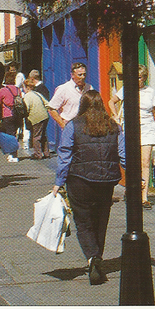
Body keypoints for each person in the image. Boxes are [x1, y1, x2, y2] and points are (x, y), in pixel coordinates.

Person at [52, 90, 124, 285]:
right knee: (101, 220)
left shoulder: (73, 126)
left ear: (82, 105)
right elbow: (123, 153)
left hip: (79, 179)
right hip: (106, 180)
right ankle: (97, 256)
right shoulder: (113, 126)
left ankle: (92, 257)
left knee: (83, 221)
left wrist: (59, 182)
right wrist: (134, 177)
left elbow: (65, 153)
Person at [108, 65, 155, 209]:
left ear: (145, 77)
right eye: (135, 77)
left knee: (145, 162)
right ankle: (132, 188)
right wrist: (115, 116)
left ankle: (144, 197)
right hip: (130, 128)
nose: (137, 80)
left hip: (147, 128)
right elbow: (111, 101)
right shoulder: (126, 89)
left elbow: (154, 113)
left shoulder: (150, 91)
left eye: (140, 77)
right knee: (131, 161)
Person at [47, 62, 93, 130]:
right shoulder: (64, 89)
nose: (83, 77)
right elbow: (51, 108)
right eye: (79, 75)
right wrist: (63, 125)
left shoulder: (89, 88)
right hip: (70, 126)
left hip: (86, 126)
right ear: (72, 75)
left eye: (84, 74)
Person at [0, 69, 22, 163]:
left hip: (7, 114)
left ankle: (13, 155)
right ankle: (13, 153)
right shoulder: (17, 89)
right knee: (14, 134)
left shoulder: (3, 90)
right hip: (17, 114)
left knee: (9, 135)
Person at [22, 78, 51, 159]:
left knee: (36, 136)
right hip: (45, 116)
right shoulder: (38, 94)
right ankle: (46, 153)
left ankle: (38, 154)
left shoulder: (27, 96)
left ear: (26, 87)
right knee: (43, 135)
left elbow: (26, 108)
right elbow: (47, 103)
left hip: (36, 118)